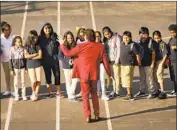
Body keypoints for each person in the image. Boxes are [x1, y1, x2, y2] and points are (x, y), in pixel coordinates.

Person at [60, 29, 112, 123]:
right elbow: (105, 62)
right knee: (94, 94)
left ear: (85, 37)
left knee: (85, 96)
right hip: (94, 74)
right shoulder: (100, 46)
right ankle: (97, 114)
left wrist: (62, 45)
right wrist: (109, 74)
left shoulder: (80, 46)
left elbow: (68, 53)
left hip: (83, 75)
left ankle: (87, 116)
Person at [39, 23, 62, 98]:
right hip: (46, 60)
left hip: (55, 60)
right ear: (43, 29)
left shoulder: (54, 37)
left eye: (49, 28)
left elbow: (59, 45)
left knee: (57, 75)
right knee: (48, 76)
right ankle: (50, 92)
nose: (47, 30)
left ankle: (58, 91)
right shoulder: (40, 38)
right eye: (46, 28)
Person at [134, 27, 157, 99]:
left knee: (149, 78)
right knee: (142, 78)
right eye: (142, 34)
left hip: (149, 64)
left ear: (148, 34)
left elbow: (153, 53)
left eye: (145, 34)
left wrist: (152, 63)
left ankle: (152, 92)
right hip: (141, 64)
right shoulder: (138, 42)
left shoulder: (151, 42)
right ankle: (142, 90)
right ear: (139, 34)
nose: (143, 36)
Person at [58, 31, 79, 102]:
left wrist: (74, 60)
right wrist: (67, 61)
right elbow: (60, 56)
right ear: (66, 39)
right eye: (68, 38)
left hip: (74, 65)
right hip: (66, 66)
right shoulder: (62, 46)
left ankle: (71, 93)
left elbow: (77, 54)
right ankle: (70, 95)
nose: (70, 39)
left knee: (75, 79)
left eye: (71, 38)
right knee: (68, 81)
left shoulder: (75, 44)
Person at [120, 31, 141, 101]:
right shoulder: (122, 44)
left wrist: (139, 63)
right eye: (124, 37)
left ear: (130, 38)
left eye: (127, 38)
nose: (125, 39)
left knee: (127, 80)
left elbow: (137, 55)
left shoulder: (132, 45)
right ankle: (130, 94)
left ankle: (129, 95)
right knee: (126, 80)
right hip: (123, 65)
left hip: (129, 65)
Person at [102, 26, 122, 98]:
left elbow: (119, 49)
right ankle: (114, 90)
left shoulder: (116, 38)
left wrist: (117, 59)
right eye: (105, 35)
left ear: (110, 32)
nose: (107, 36)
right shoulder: (106, 40)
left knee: (116, 76)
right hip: (109, 60)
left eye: (108, 34)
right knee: (113, 77)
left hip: (115, 61)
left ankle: (117, 91)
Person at [24, 30, 42, 101]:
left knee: (39, 80)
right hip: (30, 65)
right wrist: (35, 54)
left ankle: (35, 94)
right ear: (30, 37)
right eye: (34, 38)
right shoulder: (26, 45)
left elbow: (40, 56)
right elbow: (25, 56)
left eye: (36, 37)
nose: (35, 39)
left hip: (38, 64)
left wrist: (30, 57)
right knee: (33, 81)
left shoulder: (38, 45)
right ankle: (33, 91)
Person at [9, 36, 27, 101]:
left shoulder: (23, 48)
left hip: (22, 68)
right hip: (15, 68)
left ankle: (23, 95)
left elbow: (25, 59)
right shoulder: (12, 49)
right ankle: (17, 95)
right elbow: (10, 59)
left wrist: (26, 68)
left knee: (23, 82)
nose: (20, 43)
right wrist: (11, 69)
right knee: (16, 82)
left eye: (20, 42)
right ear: (15, 42)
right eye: (18, 42)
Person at [152, 30, 168, 99]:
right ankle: (158, 90)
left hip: (160, 61)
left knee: (159, 75)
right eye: (155, 38)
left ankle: (163, 92)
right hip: (155, 61)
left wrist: (162, 63)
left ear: (160, 37)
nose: (157, 39)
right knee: (155, 76)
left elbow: (166, 54)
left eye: (158, 38)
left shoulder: (163, 43)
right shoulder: (153, 43)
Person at [95, 31, 110, 101]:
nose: (97, 37)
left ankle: (103, 93)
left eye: (98, 36)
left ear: (100, 37)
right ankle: (97, 93)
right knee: (96, 79)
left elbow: (105, 55)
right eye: (95, 36)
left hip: (101, 64)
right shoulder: (92, 44)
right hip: (94, 64)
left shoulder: (103, 44)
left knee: (102, 78)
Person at [1, 22, 14, 96]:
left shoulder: (13, 38)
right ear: (3, 31)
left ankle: (13, 90)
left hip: (12, 60)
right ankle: (8, 89)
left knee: (12, 75)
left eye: (9, 29)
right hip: (4, 60)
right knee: (7, 75)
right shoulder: (1, 38)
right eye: (6, 30)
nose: (8, 31)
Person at [167, 24, 177, 97]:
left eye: (174, 32)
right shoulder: (171, 39)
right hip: (171, 60)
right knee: (173, 76)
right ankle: (175, 90)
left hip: (176, 61)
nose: (172, 34)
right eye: (171, 32)